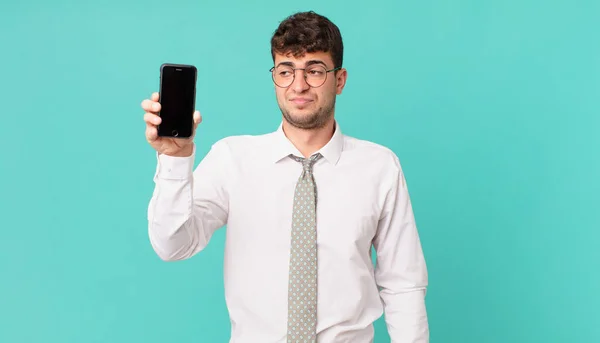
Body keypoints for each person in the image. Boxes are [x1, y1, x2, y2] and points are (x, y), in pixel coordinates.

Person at [141, 10, 429, 343]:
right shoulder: (232, 159)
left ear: (340, 79)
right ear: (274, 76)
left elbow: (403, 284)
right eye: (286, 70)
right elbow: (172, 245)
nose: (299, 85)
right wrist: (175, 159)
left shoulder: (380, 167)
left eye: (315, 70)